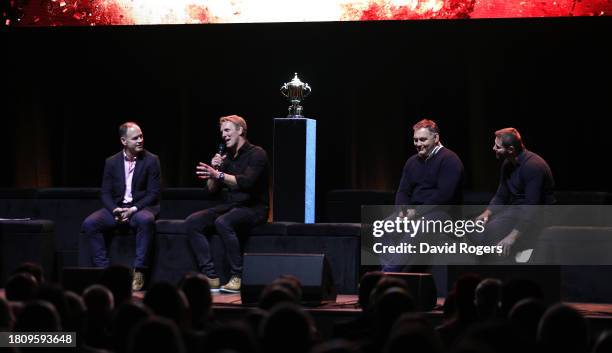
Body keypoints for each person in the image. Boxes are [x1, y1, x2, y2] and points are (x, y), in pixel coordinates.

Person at [186, 115, 269, 293]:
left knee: (223, 222)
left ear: (240, 130)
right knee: (193, 221)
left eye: (227, 130)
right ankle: (210, 276)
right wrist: (214, 170)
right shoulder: (226, 157)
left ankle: (237, 276)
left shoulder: (257, 153)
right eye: (222, 132)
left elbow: (246, 182)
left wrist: (219, 175)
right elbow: (210, 190)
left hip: (254, 208)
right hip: (232, 206)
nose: (223, 135)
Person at [81, 122, 161, 291]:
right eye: (135, 138)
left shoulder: (152, 160)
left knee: (146, 221)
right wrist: (114, 209)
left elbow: (153, 193)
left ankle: (139, 271)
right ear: (124, 141)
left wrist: (133, 209)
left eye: (141, 136)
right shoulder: (111, 162)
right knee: (90, 224)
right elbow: (105, 193)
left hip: (140, 208)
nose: (140, 140)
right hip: (117, 208)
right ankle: (104, 271)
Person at [382, 119, 464, 272]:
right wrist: (402, 211)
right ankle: (393, 270)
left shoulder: (450, 160)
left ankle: (388, 272)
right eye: (415, 140)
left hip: (443, 213)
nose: (418, 144)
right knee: (383, 228)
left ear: (436, 138)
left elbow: (444, 196)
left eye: (423, 139)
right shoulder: (412, 162)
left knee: (418, 226)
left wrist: (417, 213)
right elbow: (403, 191)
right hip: (415, 212)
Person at [475, 127, 555, 260]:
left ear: (511, 149)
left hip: (538, 214)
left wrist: (512, 236)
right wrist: (486, 213)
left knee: (491, 232)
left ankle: (505, 266)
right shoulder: (508, 163)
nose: (493, 148)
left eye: (497, 146)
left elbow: (532, 208)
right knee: (474, 229)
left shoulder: (533, 167)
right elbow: (501, 194)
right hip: (516, 210)